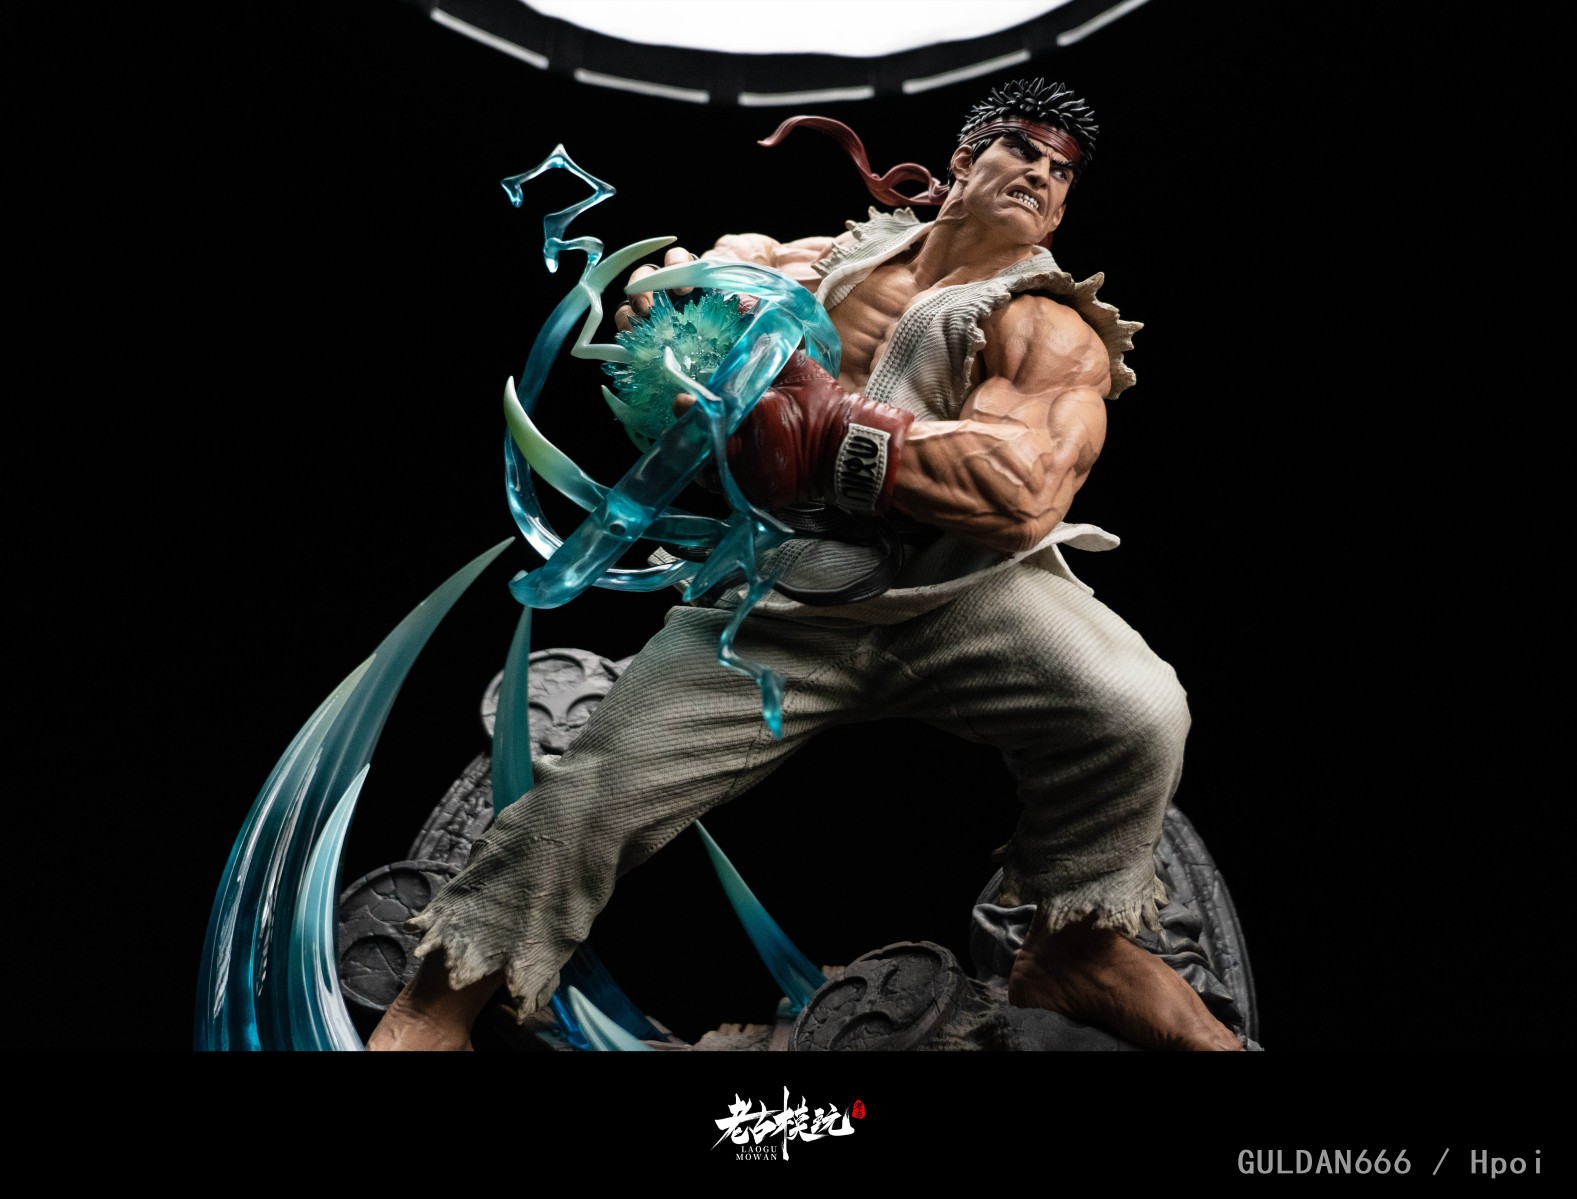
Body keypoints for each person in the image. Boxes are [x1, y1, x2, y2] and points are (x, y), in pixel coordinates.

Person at [369, 79, 1243, 1052]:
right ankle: (435, 1003)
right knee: (586, 796)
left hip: (966, 592)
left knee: (1136, 709)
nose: (1040, 173)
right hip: (785, 599)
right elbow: (673, 300)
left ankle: (1077, 945)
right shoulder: (820, 263)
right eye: (1021, 150)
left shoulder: (1044, 325)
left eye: (1060, 172)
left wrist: (831, 430)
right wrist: (669, 325)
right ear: (962, 160)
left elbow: (1023, 492)